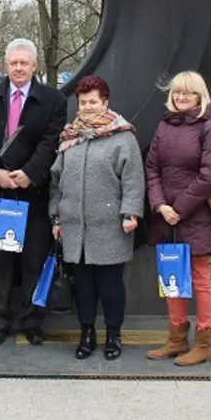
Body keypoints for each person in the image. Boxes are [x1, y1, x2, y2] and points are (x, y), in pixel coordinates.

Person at [0, 38, 67, 347]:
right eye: (13, 63)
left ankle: (33, 322)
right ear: (5, 65)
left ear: (34, 66)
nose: (19, 68)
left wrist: (29, 174)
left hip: (33, 196)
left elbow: (52, 142)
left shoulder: (53, 100)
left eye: (24, 63)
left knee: (33, 263)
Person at [48, 75, 144, 361]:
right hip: (74, 226)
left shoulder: (122, 137)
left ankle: (113, 334)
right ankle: (86, 332)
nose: (88, 107)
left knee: (110, 286)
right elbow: (56, 180)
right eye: (83, 102)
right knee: (84, 287)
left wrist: (130, 212)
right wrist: (56, 217)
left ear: (105, 103)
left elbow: (133, 180)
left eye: (93, 102)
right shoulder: (70, 137)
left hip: (110, 226)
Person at [145, 70, 211, 366]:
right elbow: (151, 168)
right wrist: (160, 205)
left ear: (200, 96)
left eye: (188, 93)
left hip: (196, 215)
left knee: (200, 278)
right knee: (172, 279)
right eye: (177, 92)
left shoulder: (210, 127)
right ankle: (176, 339)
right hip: (166, 215)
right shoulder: (164, 126)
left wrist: (178, 208)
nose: (181, 97)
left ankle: (204, 341)